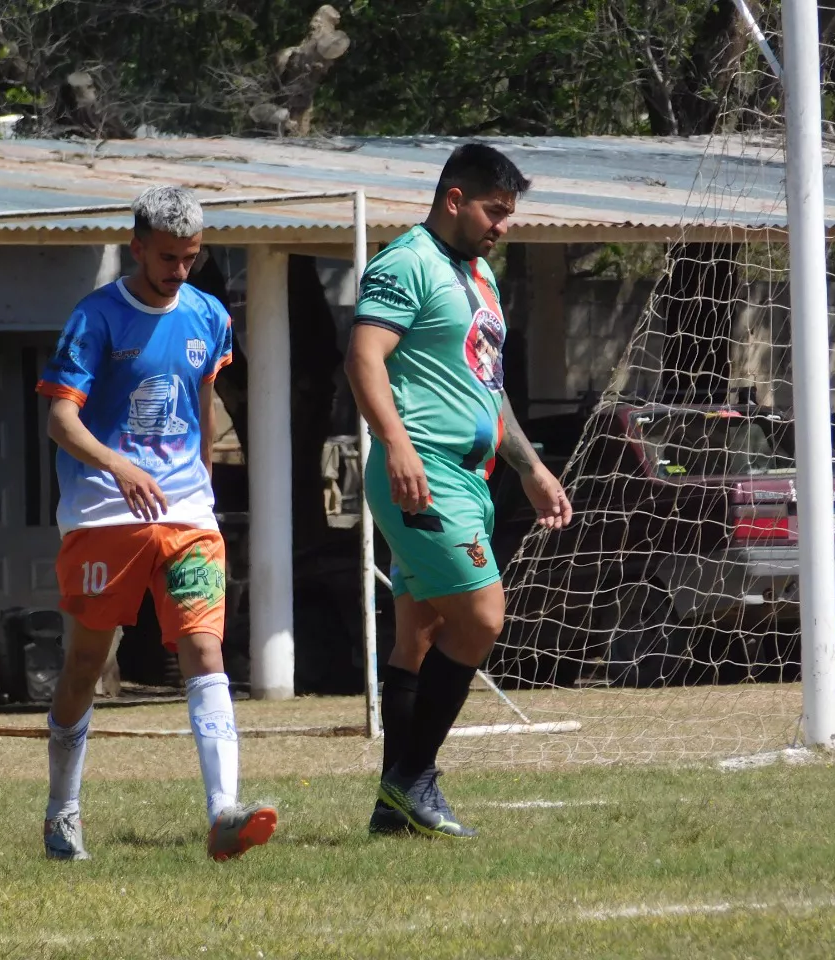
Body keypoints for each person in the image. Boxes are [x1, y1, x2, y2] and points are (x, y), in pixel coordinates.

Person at [35, 185, 276, 862]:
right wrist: (119, 466)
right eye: (167, 256)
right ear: (136, 247)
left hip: (187, 515)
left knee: (204, 649)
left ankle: (224, 811)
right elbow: (60, 420)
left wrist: (196, 484)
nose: (179, 269)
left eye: (191, 257)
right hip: (104, 514)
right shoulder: (96, 318)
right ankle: (62, 812)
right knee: (87, 662)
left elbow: (202, 403)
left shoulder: (209, 315)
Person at [345, 143, 572, 839]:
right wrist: (399, 445)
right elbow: (363, 359)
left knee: (421, 633)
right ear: (454, 199)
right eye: (494, 210)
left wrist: (531, 468)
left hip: (473, 473)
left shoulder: (478, 275)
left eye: (510, 213)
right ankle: (414, 778)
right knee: (482, 619)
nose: (504, 225)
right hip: (424, 471)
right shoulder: (405, 262)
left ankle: (392, 810)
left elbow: (488, 387)